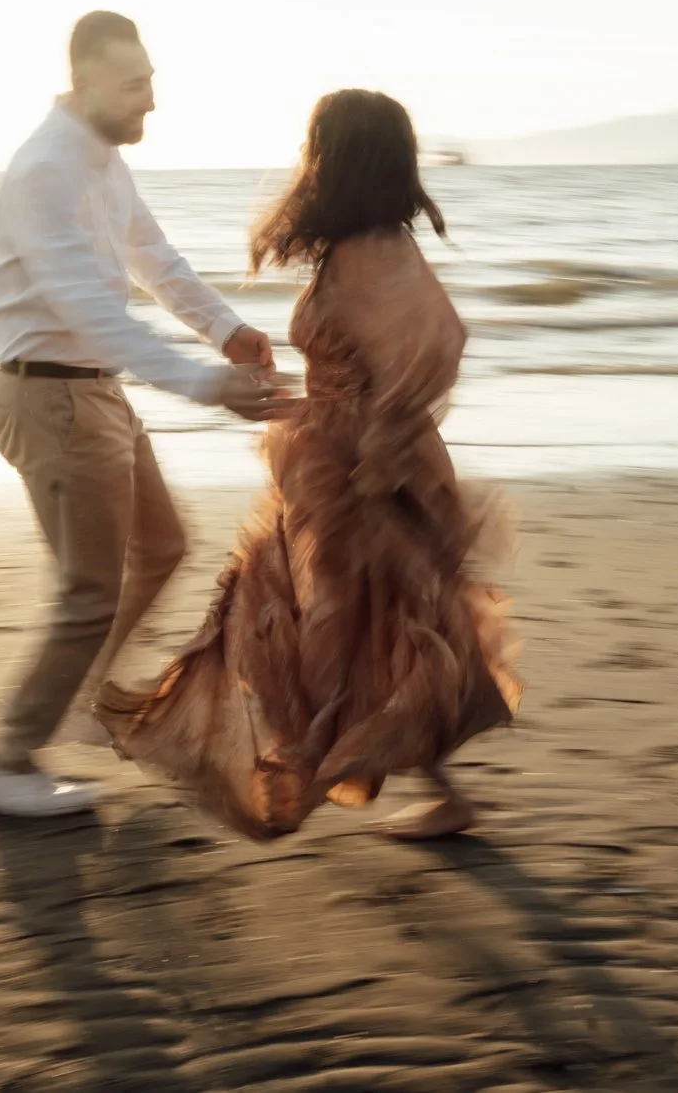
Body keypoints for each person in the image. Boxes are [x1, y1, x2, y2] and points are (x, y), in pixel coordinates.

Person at [100, 89, 520, 840]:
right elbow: (379, 353)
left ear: (337, 156)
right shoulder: (367, 241)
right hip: (335, 460)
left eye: (314, 145)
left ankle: (299, 763)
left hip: (358, 474)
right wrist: (320, 402)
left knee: (340, 627)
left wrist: (375, 440)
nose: (305, 159)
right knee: (362, 626)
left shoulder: (369, 251)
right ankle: (409, 784)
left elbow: (440, 342)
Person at [0, 11, 296, 819]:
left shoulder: (102, 161)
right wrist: (201, 382)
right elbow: (86, 306)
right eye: (133, 84)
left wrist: (228, 329)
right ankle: (5, 760)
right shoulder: (44, 169)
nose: (149, 98)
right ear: (83, 83)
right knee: (88, 591)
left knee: (163, 545)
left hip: (91, 390)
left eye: (151, 79)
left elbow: (155, 261)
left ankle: (80, 701)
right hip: (48, 394)